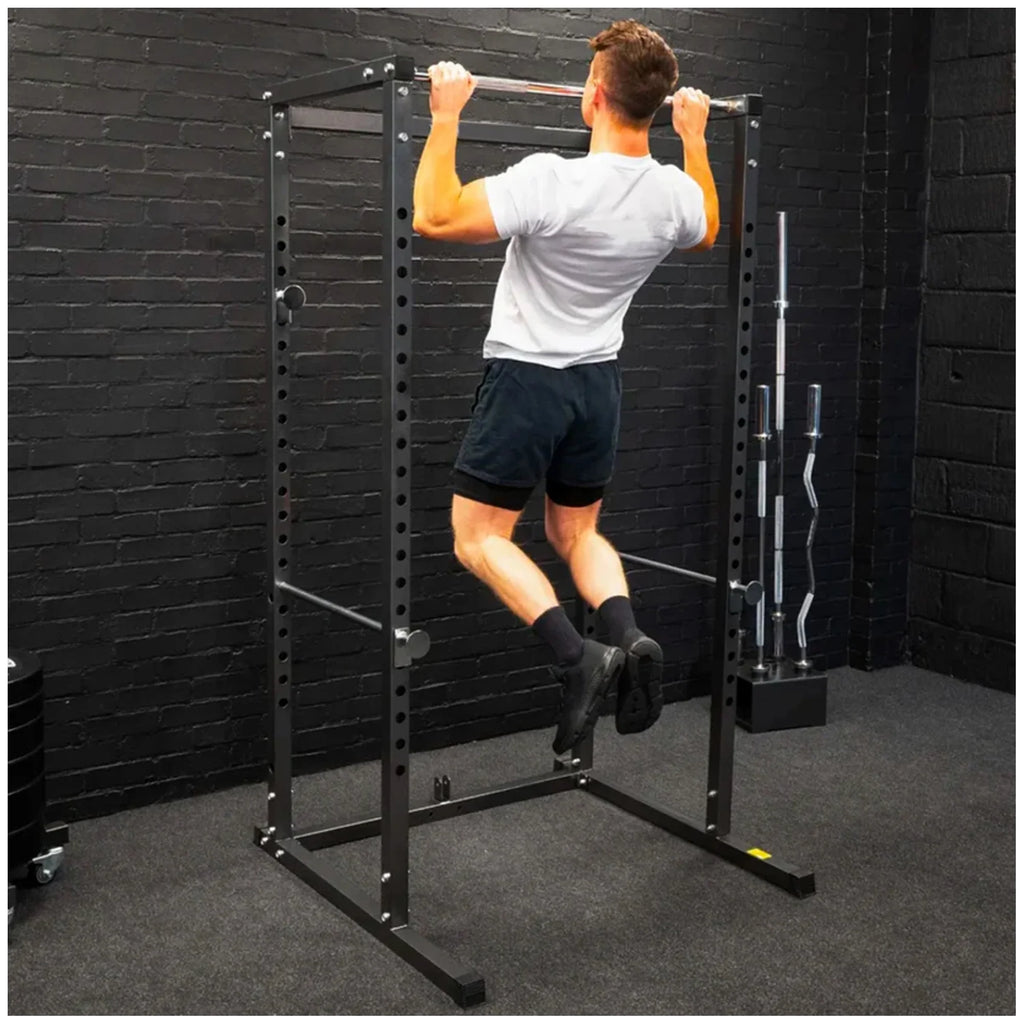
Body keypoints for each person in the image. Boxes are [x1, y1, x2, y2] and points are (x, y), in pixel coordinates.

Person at [412, 19, 719, 755]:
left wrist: (446, 114)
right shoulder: (674, 195)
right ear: (655, 105)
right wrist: (696, 138)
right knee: (576, 532)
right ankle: (628, 635)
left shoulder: (553, 180)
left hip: (527, 381)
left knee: (477, 538)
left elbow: (433, 214)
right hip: (597, 387)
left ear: (595, 97)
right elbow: (708, 228)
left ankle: (578, 658)